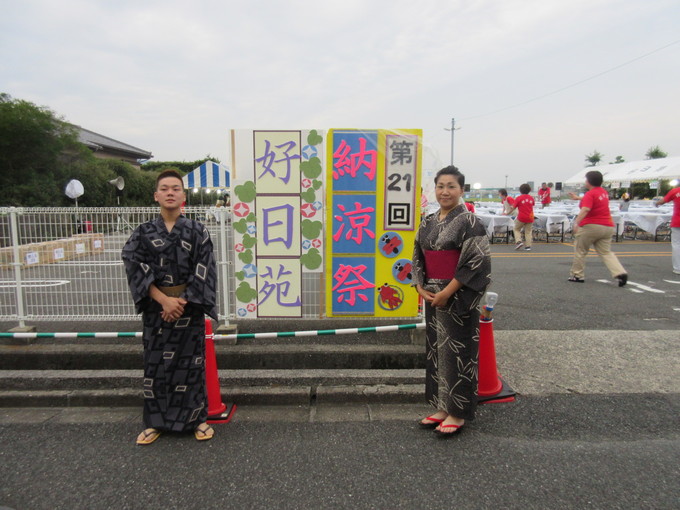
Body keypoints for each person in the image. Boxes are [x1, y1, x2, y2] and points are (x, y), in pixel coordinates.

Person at [122, 169, 218, 445]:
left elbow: (205, 270)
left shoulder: (197, 230)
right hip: (157, 309)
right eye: (164, 188)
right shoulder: (143, 232)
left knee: (191, 364)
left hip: (189, 308)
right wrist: (163, 300)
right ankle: (155, 422)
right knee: (155, 366)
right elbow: (133, 263)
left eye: (175, 188)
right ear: (156, 195)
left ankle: (198, 419)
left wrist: (180, 301)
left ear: (183, 196)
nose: (170, 193)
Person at [411, 165, 492, 436]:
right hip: (432, 294)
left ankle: (457, 413)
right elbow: (418, 255)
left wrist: (449, 291)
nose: (445, 192)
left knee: (458, 352)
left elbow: (476, 262)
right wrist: (420, 286)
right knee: (436, 350)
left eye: (451, 187)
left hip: (456, 296)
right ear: (434, 189)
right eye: (440, 186)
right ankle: (442, 406)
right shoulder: (428, 222)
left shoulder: (470, 222)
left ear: (461, 190)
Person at [567, 170, 628, 286]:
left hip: (591, 226)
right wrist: (578, 198)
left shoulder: (590, 194)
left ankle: (577, 275)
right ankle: (620, 272)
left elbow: (586, 209)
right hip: (607, 226)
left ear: (589, 181)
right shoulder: (603, 193)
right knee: (606, 252)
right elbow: (594, 200)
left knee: (581, 250)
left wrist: (576, 222)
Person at [655, 185, 680, 274]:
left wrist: (656, 203)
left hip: (677, 221)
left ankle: (678, 268)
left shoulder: (675, 191)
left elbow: (663, 201)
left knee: (677, 245)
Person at [507, 183, 535, 251]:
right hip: (530, 217)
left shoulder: (519, 198)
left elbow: (513, 207)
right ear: (529, 190)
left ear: (520, 190)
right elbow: (533, 204)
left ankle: (518, 241)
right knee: (528, 232)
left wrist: (507, 213)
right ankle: (528, 246)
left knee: (516, 229)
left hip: (522, 217)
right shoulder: (531, 198)